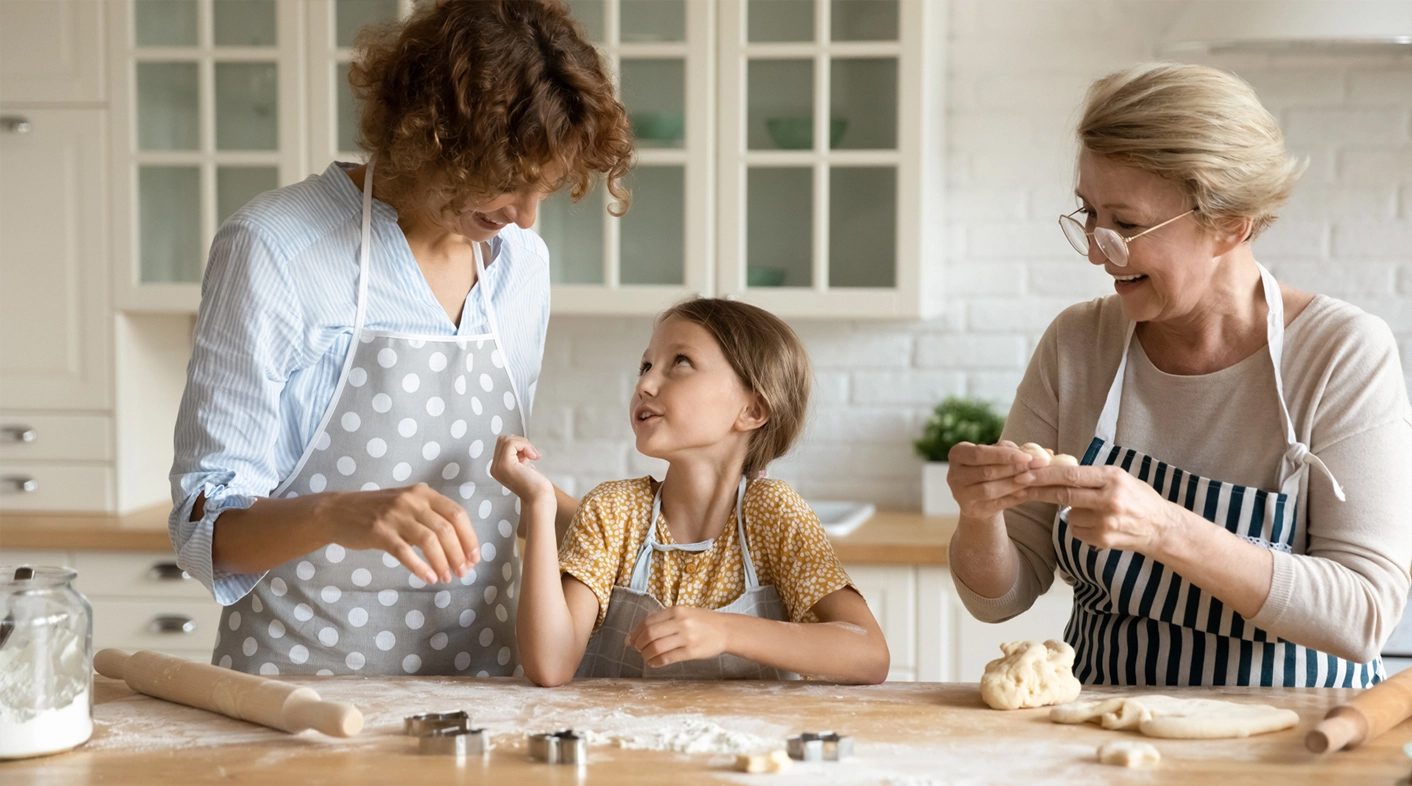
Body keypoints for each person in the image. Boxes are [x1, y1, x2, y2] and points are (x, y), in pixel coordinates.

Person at [168, 0, 633, 676]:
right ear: (429, 135)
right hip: (305, 700)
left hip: (484, 689)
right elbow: (201, 535)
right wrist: (336, 513)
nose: (525, 216)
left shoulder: (521, 263)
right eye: (507, 185)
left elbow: (501, 489)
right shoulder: (276, 249)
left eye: (546, 190)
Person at [946, 63, 1412, 688]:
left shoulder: (1339, 352)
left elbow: (1365, 614)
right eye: (1088, 213)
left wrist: (1166, 528)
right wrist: (980, 516)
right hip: (1102, 732)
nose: (1095, 249)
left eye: (1127, 225)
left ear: (1230, 224)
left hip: (1294, 743)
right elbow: (998, 598)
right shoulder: (1078, 343)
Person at [490, 298, 890, 685]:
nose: (645, 383)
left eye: (680, 362)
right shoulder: (613, 511)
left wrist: (725, 631)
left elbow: (869, 654)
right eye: (645, 365)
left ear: (751, 410)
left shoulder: (772, 515)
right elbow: (550, 664)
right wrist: (538, 504)